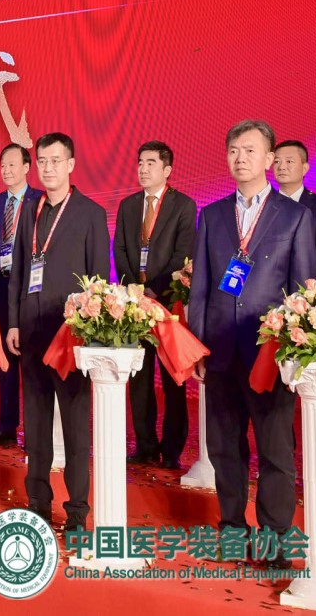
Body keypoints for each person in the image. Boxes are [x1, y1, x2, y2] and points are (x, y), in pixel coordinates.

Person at [189, 120, 316, 567]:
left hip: (269, 355)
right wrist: (198, 344)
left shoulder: (295, 216)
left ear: (268, 159)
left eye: (249, 150)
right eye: (233, 151)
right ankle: (232, 532)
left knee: (276, 451)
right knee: (225, 449)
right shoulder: (212, 216)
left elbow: (303, 291)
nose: (239, 158)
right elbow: (200, 287)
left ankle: (276, 541)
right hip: (221, 351)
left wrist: (295, 350)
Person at [6, 133, 109, 531]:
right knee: (35, 425)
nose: (48, 168)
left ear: (70, 165)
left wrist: (91, 331)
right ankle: (38, 503)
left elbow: (98, 280)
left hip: (70, 337)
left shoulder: (90, 213)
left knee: (75, 427)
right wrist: (14, 321)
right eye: (42, 161)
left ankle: (78, 511)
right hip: (31, 332)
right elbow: (19, 271)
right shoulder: (30, 211)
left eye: (55, 161)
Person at [114, 141, 197, 470]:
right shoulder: (128, 205)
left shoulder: (183, 205)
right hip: (135, 304)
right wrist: (134, 289)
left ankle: (172, 449)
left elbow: (182, 254)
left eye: (150, 163)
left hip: (167, 302)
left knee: (173, 377)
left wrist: (154, 289)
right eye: (140, 162)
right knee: (140, 376)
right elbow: (120, 250)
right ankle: (145, 445)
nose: (143, 169)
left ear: (167, 169)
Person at [0, 143, 42, 449]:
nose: (6, 170)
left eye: (12, 165)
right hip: (2, 289)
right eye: (3, 165)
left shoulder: (39, 200)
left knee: (31, 361)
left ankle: (35, 431)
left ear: (27, 167)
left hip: (30, 290)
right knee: (5, 361)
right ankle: (6, 427)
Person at [274, 140, 316, 285]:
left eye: (289, 161)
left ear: (304, 168)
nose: (282, 167)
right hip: (269, 294)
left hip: (306, 293)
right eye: (277, 162)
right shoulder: (262, 205)